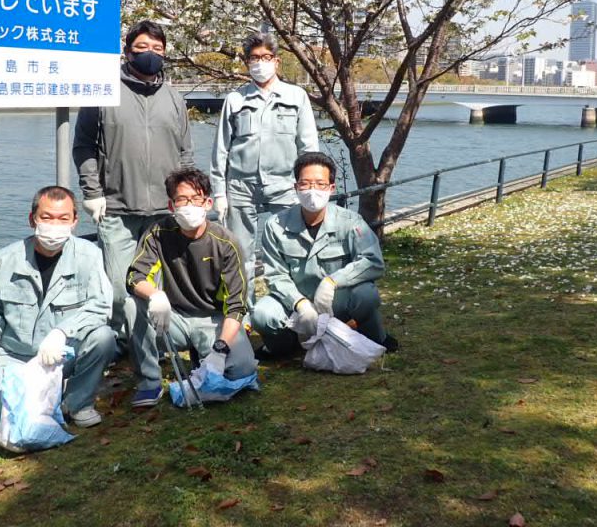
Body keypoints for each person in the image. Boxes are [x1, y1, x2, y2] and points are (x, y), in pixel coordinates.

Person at [73, 20, 194, 352]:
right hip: (118, 209)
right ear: (127, 52)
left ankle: (151, 348)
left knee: (156, 285)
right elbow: (83, 146)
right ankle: (125, 342)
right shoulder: (102, 92)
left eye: (157, 49)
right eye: (142, 48)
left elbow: (185, 151)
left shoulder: (174, 98)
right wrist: (92, 192)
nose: (150, 55)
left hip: (165, 213)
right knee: (118, 287)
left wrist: (185, 197)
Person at [0, 185, 116, 435]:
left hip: (63, 354)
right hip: (12, 360)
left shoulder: (89, 256)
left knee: (103, 337)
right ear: (32, 219)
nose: (55, 225)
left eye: (63, 218)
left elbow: (100, 307)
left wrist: (62, 333)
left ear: (75, 221)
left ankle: (77, 402)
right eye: (47, 217)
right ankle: (41, 398)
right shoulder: (3, 261)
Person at [125, 167, 258, 407]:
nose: (189, 205)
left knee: (242, 368)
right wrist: (156, 295)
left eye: (196, 199)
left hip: (214, 319)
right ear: (171, 205)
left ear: (207, 202)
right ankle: (149, 381)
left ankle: (206, 352)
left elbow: (236, 305)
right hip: (172, 317)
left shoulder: (226, 242)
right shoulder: (158, 233)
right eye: (182, 199)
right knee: (131, 306)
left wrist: (221, 348)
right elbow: (135, 276)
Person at [252, 152, 398, 357]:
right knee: (261, 314)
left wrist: (332, 281)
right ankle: (284, 347)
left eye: (320, 184)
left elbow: (373, 261)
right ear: (296, 187)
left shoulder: (350, 221)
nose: (313, 191)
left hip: (336, 300)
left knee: (366, 295)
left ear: (331, 188)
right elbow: (275, 274)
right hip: (295, 303)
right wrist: (299, 303)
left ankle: (374, 338)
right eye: (305, 184)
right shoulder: (275, 225)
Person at [210, 33, 318, 305]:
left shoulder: (296, 96)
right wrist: (219, 193)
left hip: (283, 185)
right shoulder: (235, 99)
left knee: (289, 247)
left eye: (266, 58)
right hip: (240, 186)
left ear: (277, 61)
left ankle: (289, 307)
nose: (260, 63)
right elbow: (221, 149)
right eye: (254, 58)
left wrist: (310, 185)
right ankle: (241, 311)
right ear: (246, 63)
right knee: (239, 253)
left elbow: (308, 147)